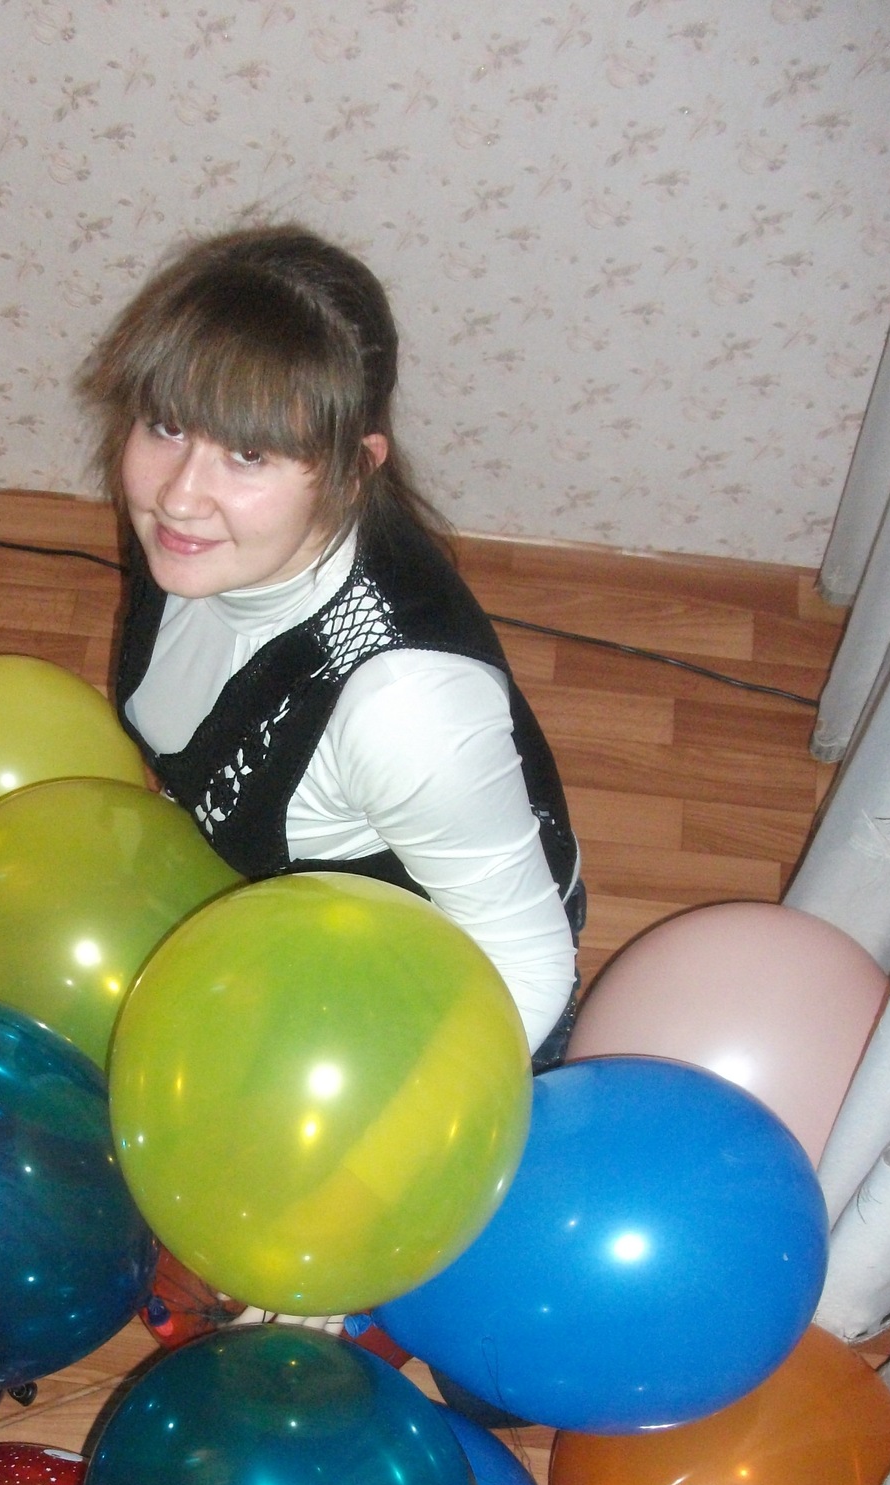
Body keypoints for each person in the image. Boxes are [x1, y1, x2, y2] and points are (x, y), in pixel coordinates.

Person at [79, 224, 583, 1068]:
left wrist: (407, 1117)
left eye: (248, 454)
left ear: (353, 471)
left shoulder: (404, 710)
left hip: (420, 989)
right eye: (165, 425)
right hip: (282, 928)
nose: (179, 495)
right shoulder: (197, 541)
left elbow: (529, 969)